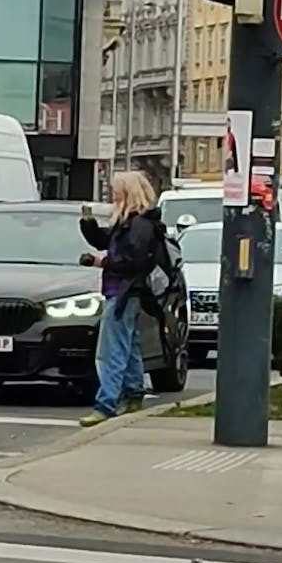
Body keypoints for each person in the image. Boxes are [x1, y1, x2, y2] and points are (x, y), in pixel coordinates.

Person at [77, 171, 165, 427]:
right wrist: (88, 224)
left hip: (124, 292)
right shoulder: (131, 222)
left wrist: (101, 261)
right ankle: (134, 393)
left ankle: (106, 404)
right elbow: (105, 240)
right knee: (129, 346)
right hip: (128, 292)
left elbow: (132, 262)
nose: (111, 194)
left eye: (116, 190)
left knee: (110, 351)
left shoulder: (138, 225)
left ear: (128, 193)